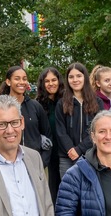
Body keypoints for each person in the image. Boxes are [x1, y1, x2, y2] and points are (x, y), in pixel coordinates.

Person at [0, 66, 53, 170]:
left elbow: (48, 136)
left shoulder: (35, 106)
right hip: (8, 166)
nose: (22, 82)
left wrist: (42, 163)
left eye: (24, 78)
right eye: (17, 78)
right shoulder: (0, 108)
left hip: (35, 165)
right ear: (8, 82)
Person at [55, 63, 104, 179]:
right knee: (69, 193)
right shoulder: (61, 103)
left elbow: (99, 129)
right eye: (71, 77)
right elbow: (60, 131)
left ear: (85, 78)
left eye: (79, 76)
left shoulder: (97, 102)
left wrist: (80, 149)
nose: (75, 80)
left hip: (91, 155)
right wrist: (71, 150)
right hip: (67, 157)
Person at [36, 67, 65, 204]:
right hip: (49, 152)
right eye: (47, 81)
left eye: (54, 80)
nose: (51, 83)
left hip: (65, 150)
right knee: (53, 186)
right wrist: (40, 137)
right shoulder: (37, 104)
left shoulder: (67, 101)